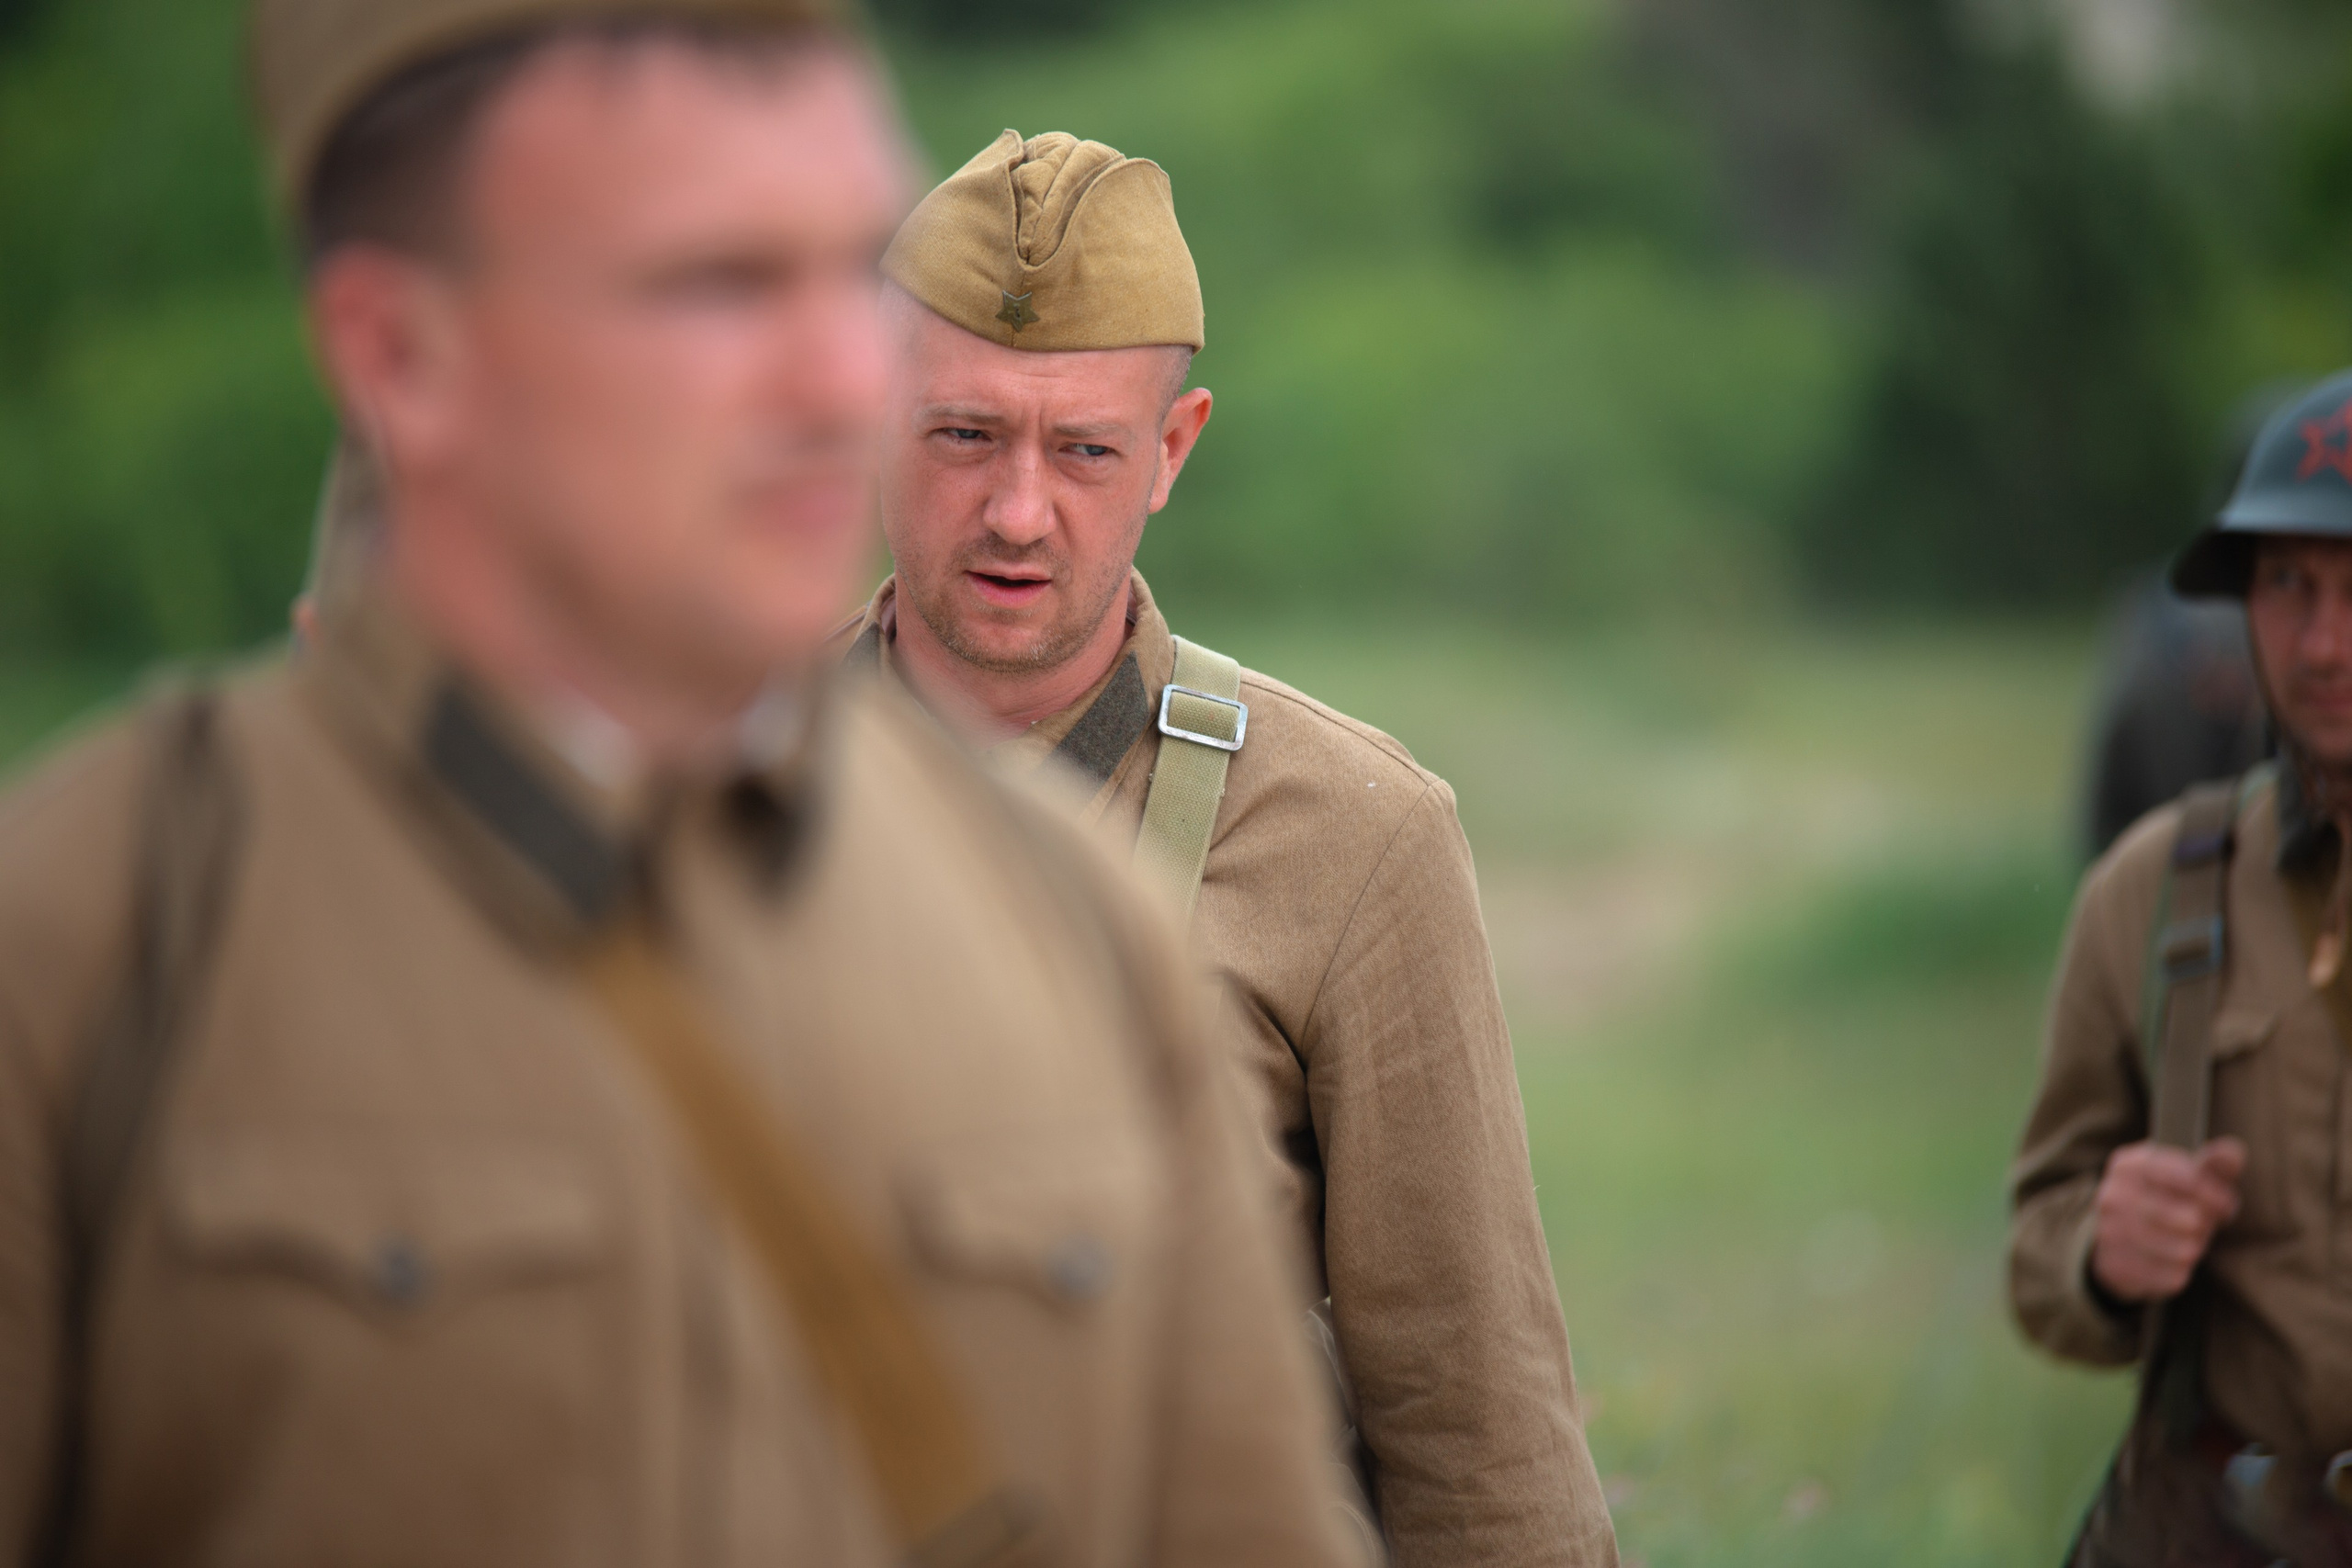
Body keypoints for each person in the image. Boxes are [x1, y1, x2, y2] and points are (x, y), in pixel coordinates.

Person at [0, 8, 1365, 1565]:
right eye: (715, 285)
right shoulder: (93, 942)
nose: (838, 383)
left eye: (848, 277)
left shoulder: (1076, 928)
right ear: (402, 357)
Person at [835, 129, 1618, 1567]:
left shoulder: (1355, 836)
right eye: (964, 436)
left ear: (1173, 449)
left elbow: (1478, 1431)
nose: (1019, 512)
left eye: (1085, 450)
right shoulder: (700, 789)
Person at [2011, 368, 2352, 1565]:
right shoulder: (2149, 889)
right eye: (2286, 584)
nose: (2324, 643)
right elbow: (2040, 1236)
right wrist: (2106, 1253)